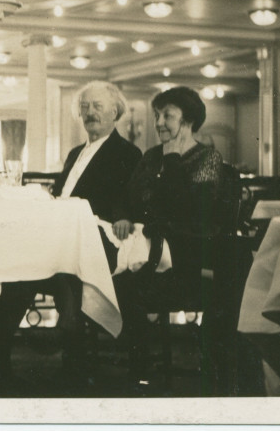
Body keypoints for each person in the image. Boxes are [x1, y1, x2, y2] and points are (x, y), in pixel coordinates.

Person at [0, 81, 142, 377]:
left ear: (115, 111)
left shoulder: (127, 153)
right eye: (85, 107)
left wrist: (125, 216)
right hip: (62, 238)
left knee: (41, 263)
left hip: (100, 240)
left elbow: (131, 197)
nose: (89, 113)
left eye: (97, 106)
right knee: (21, 266)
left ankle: (61, 330)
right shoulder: (75, 153)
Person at [110, 86, 225, 387]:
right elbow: (126, 196)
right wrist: (122, 215)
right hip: (144, 247)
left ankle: (141, 370)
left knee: (124, 285)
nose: (159, 122)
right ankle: (138, 360)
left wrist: (173, 162)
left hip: (184, 257)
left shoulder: (207, 158)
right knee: (106, 274)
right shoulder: (150, 157)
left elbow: (189, 212)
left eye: (168, 116)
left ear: (188, 121)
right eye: (157, 115)